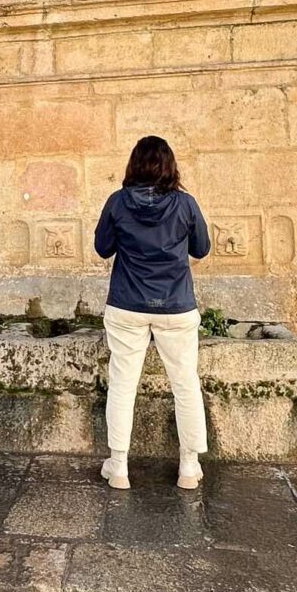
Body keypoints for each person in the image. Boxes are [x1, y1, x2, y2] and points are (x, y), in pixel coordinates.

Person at [94, 135, 211, 490]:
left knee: (123, 385)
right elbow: (202, 249)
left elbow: (103, 248)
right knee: (185, 384)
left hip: (127, 304)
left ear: (134, 165)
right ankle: (188, 468)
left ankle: (118, 467)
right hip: (175, 305)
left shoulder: (117, 203)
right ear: (169, 166)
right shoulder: (185, 204)